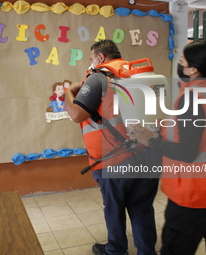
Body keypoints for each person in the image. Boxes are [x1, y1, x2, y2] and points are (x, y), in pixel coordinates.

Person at [129, 40, 206, 255]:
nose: (179, 66)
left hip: (196, 196)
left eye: (181, 61)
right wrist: (163, 130)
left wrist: (150, 141)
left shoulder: (193, 98)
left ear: (193, 69)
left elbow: (187, 152)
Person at [65, 39, 160, 255]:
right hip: (148, 155)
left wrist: (68, 93)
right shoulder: (140, 74)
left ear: (100, 58)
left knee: (114, 208)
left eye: (91, 59)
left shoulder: (98, 77)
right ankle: (147, 251)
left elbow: (76, 114)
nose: (90, 64)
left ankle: (116, 250)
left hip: (114, 160)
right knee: (143, 208)